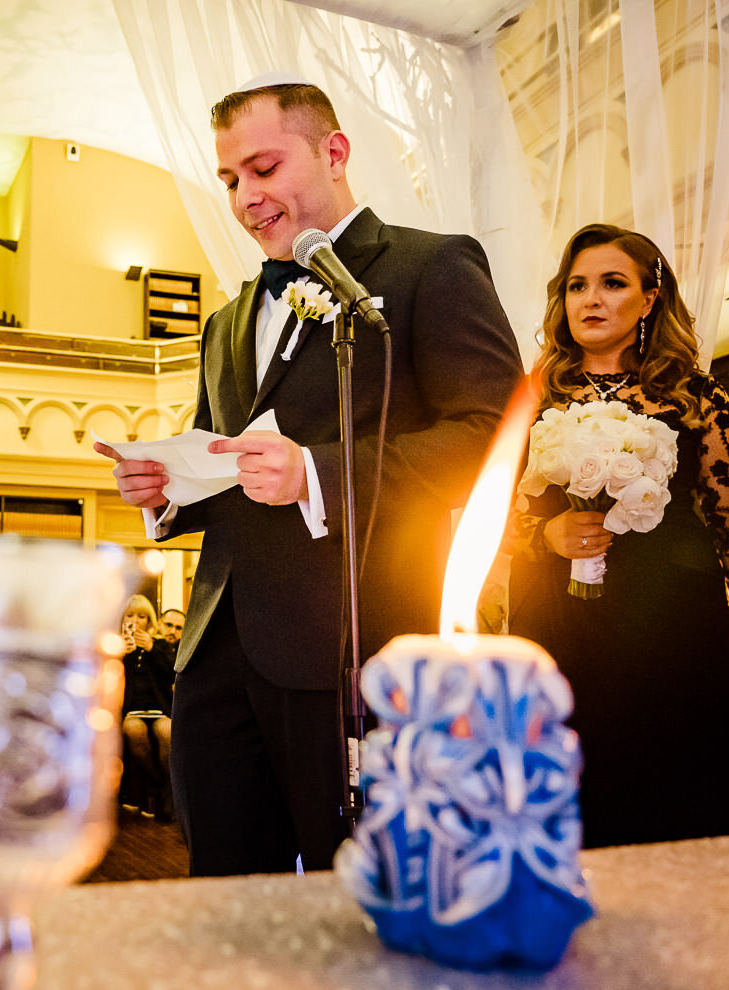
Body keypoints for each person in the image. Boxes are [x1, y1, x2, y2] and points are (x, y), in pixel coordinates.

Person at [95, 79, 522, 876]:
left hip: (352, 643)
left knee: (356, 886)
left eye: (262, 168)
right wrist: (166, 489)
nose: (245, 198)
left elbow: (493, 433)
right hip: (215, 652)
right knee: (225, 891)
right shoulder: (225, 321)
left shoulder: (431, 265)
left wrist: (317, 473)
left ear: (334, 151)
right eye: (228, 180)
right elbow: (226, 459)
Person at [506, 223, 729, 848]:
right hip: (556, 625)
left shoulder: (693, 395)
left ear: (650, 299)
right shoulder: (532, 394)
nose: (590, 300)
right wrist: (547, 534)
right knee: (568, 792)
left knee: (673, 792)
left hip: (670, 625)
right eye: (577, 286)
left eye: (612, 284)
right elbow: (484, 517)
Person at [119, 595, 175, 819]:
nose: (135, 621)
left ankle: (168, 794)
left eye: (141, 616)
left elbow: (172, 673)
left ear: (149, 621)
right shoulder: (115, 643)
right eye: (130, 615)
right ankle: (160, 785)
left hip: (158, 707)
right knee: (134, 731)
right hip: (132, 709)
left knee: (167, 732)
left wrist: (151, 648)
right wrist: (123, 653)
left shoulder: (160, 644)